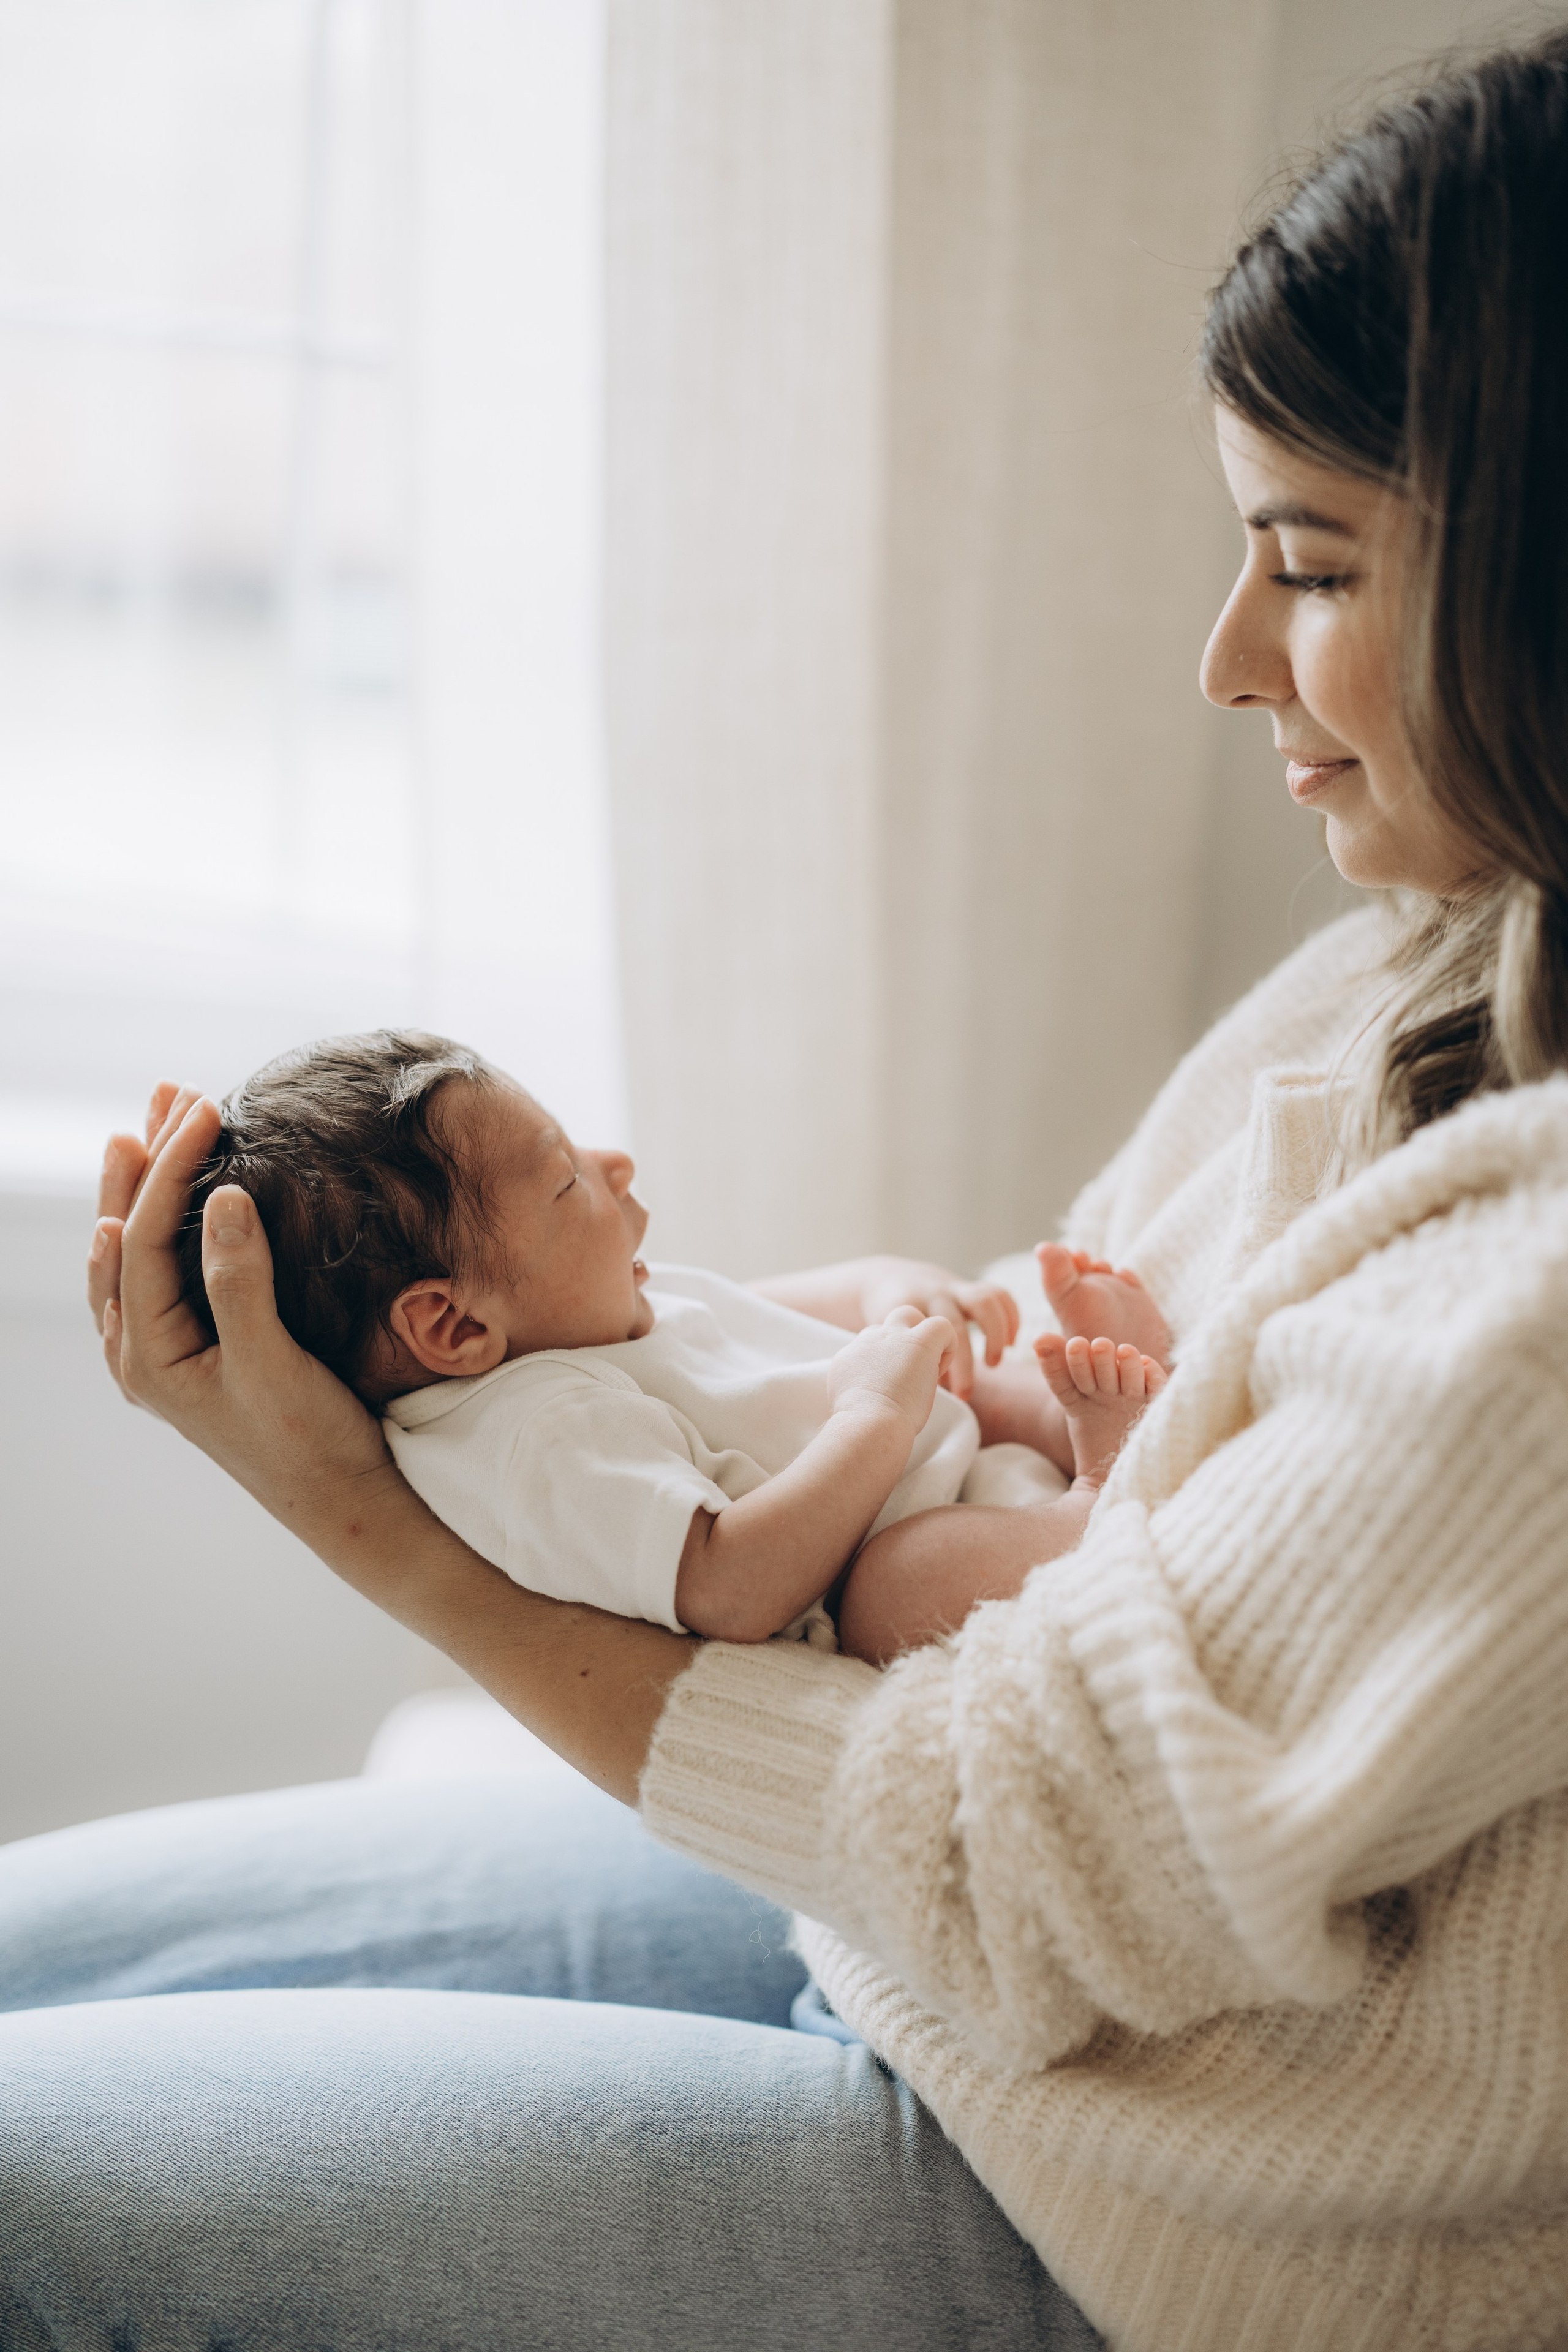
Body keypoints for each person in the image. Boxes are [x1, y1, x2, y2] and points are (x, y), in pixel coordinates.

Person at [6, 28, 1568, 2351]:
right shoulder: (1431, 946)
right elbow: (1032, 1352)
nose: (1226, 659)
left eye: (1312, 563)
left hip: (1169, 2203)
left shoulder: (1534, 1304)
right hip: (912, 1923)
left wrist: (369, 1525)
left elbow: (1040, 1858)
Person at [170, 1030, 1167, 1665]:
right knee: (891, 1589)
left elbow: (792, 1310)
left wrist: (895, 1292)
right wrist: (874, 1414)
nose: (614, 1163)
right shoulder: (537, 1436)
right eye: (566, 1179)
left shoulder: (599, 1307)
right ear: (455, 1327)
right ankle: (1100, 1490)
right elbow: (733, 1588)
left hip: (949, 1456)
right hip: (918, 1545)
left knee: (983, 1376)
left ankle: (1104, 1406)